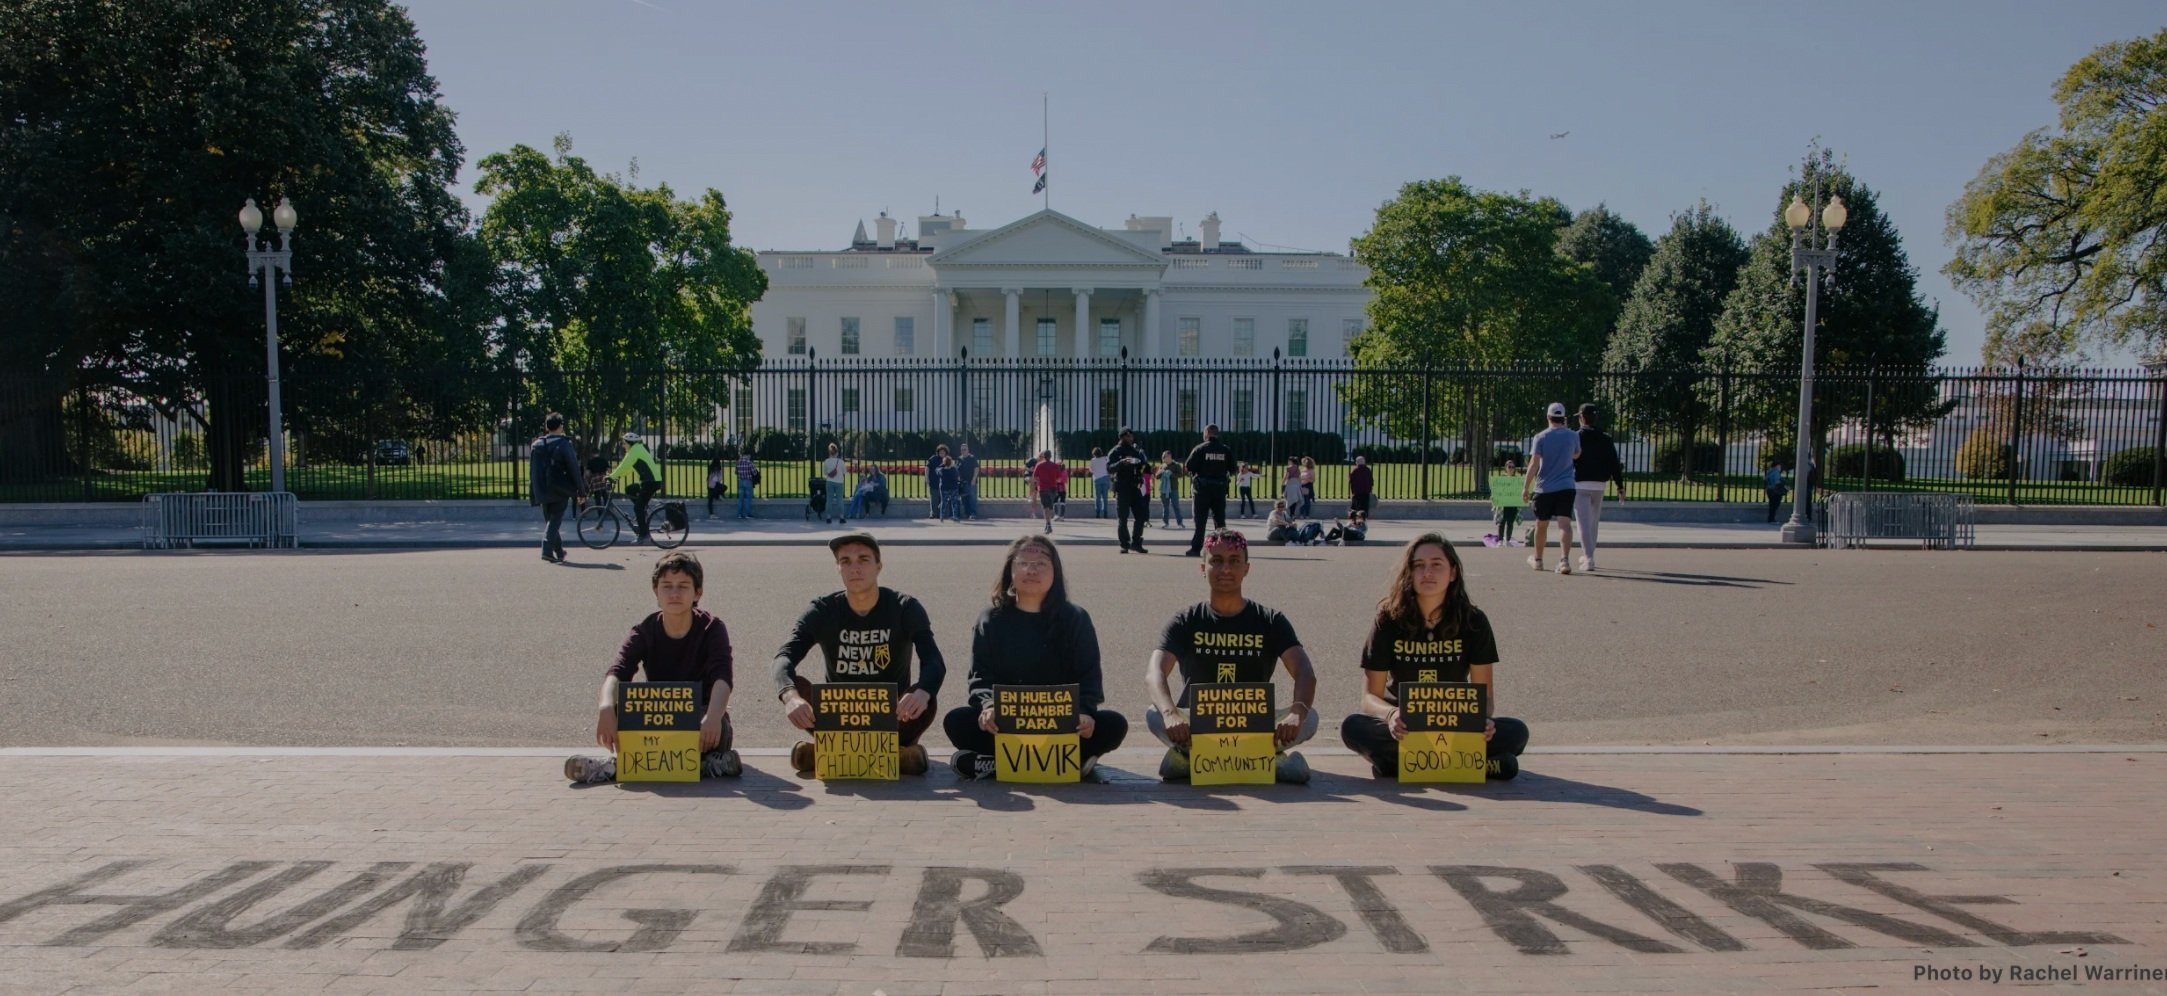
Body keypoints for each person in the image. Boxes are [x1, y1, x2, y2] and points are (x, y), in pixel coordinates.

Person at [1339, 534, 1527, 781]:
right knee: (1353, 727)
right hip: (1404, 727)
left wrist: (1484, 721)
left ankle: (1400, 764)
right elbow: (1369, 698)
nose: (1427, 572)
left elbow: (1486, 697)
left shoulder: (1474, 621)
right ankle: (1476, 764)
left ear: (1453, 573)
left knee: (1516, 732)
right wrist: (1390, 715)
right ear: (1409, 573)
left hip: (1455, 722)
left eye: (1437, 564)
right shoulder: (1388, 618)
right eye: (1419, 566)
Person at [943, 536, 1128, 780]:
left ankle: (997, 764)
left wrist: (1084, 711)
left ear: (1055, 573)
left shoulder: (1076, 618)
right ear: (1010, 571)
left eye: (1041, 564)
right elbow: (980, 676)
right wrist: (988, 706)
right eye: (1023, 563)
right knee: (956, 720)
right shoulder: (990, 619)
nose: (1031, 570)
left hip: (1062, 723)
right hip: (1007, 723)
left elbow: (1089, 675)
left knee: (1114, 724)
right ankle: (1063, 763)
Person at [1144, 530, 1319, 784]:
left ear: (1247, 568)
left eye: (1234, 561)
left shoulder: (1270, 620)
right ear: (1203, 567)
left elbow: (1304, 670)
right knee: (1153, 714)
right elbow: (1154, 672)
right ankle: (1269, 763)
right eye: (1216, 560)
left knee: (1310, 718)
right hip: (1197, 728)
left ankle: (1191, 763)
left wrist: (1296, 712)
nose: (1225, 568)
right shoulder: (1185, 621)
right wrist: (1170, 713)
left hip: (1255, 728)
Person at [773, 534, 946, 777]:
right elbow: (784, 657)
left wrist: (922, 692)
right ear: (838, 568)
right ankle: (898, 757)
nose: (854, 568)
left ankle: (825, 753)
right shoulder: (822, 610)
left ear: (878, 566)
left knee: (926, 696)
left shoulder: (904, 607)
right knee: (797, 687)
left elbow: (934, 661)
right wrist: (790, 697)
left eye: (863, 560)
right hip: (839, 716)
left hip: (892, 717)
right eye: (845, 561)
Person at [565, 551, 742, 783]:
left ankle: (616, 769)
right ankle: (708, 767)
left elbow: (723, 677)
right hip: (658, 717)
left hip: (701, 719)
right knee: (621, 712)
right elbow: (618, 671)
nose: (675, 593)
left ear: (698, 592)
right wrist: (606, 709)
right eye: (667, 586)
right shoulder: (644, 630)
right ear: (656, 592)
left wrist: (712, 716)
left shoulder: (712, 628)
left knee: (716, 726)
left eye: (683, 586)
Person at [1520, 403, 1580, 574]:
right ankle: (1564, 560)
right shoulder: (1572, 435)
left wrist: (1526, 486)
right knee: (1564, 524)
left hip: (1544, 487)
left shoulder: (1541, 437)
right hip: (1567, 486)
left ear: (1548, 417)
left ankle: (1538, 559)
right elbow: (1577, 454)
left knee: (1541, 524)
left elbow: (1534, 463)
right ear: (1563, 418)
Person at [1571, 403, 1627, 572]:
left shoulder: (1575, 436)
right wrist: (1620, 486)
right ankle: (1589, 554)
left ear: (1581, 417)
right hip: (1599, 484)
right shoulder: (1606, 438)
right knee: (1593, 522)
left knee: (1583, 523)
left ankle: (1588, 558)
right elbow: (1614, 463)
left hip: (1580, 483)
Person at [527, 412, 581, 564]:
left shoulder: (536, 445)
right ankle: (546, 550)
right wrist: (581, 490)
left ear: (546, 427)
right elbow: (573, 468)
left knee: (550, 521)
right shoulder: (564, 444)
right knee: (554, 521)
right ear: (560, 426)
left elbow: (532, 471)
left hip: (541, 488)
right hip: (559, 488)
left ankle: (559, 551)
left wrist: (533, 492)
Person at [1184, 423, 1235, 557]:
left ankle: (1196, 548)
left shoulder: (1200, 449)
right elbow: (1233, 469)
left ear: (1206, 433)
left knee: (1200, 521)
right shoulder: (1225, 450)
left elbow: (1188, 466)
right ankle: (1223, 547)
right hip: (1219, 488)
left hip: (1202, 489)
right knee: (1220, 520)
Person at [611, 431, 663, 542]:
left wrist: (611, 477)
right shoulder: (636, 450)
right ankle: (643, 510)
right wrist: (616, 477)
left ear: (629, 443)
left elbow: (623, 465)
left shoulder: (634, 451)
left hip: (651, 482)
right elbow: (628, 468)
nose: (623, 445)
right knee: (630, 489)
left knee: (637, 508)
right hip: (649, 481)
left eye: (624, 443)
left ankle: (644, 535)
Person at [1109, 427, 1151, 554]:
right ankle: (1124, 544)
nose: (1130, 438)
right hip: (1122, 487)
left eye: (1131, 436)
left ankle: (1136, 542)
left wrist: (1142, 462)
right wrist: (1121, 463)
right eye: (1128, 436)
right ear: (1122, 437)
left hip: (1134, 486)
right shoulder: (1115, 451)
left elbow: (1143, 466)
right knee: (1123, 517)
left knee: (1141, 515)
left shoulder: (1135, 450)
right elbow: (1110, 468)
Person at [1489, 459, 1524, 547]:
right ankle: (1500, 540)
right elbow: (1496, 490)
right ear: (1506, 468)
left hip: (1513, 504)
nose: (1511, 468)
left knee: (1510, 523)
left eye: (1513, 467)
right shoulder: (1501, 479)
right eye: (1509, 467)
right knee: (1502, 522)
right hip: (1503, 505)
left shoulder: (1517, 479)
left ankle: (1508, 540)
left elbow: (1519, 491)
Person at [1030, 449, 1066, 535]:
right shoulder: (1055, 466)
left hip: (1043, 488)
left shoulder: (1039, 465)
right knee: (1050, 507)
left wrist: (1040, 480)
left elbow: (1035, 477)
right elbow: (1059, 478)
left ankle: (1048, 524)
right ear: (1050, 456)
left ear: (1044, 456)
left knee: (1045, 507)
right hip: (1053, 488)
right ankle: (1048, 524)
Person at [820, 442, 848, 526]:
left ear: (829, 452)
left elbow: (825, 473)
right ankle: (841, 517)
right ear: (837, 452)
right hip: (839, 482)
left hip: (829, 481)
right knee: (840, 500)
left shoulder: (826, 461)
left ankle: (828, 517)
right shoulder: (841, 461)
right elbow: (845, 472)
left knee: (829, 499)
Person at [1156, 451, 1185, 527]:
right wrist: (1161, 472)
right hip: (1164, 489)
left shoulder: (1176, 465)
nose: (1163, 458)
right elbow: (1157, 476)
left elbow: (1180, 475)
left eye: (1164, 457)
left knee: (1176, 506)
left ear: (1169, 457)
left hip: (1173, 489)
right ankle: (1165, 522)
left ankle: (1180, 522)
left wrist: (1171, 474)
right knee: (1165, 506)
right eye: (1163, 457)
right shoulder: (1162, 466)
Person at [925, 444, 949, 520]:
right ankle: (933, 513)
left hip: (944, 483)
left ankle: (941, 513)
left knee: (942, 500)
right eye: (940, 452)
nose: (942, 453)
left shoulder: (947, 460)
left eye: (943, 452)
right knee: (934, 499)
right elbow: (927, 468)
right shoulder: (933, 459)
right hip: (934, 482)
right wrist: (927, 478)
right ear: (938, 452)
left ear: (946, 453)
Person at [957, 444, 980, 520]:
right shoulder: (959, 458)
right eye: (962, 450)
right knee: (964, 499)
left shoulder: (972, 458)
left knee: (972, 498)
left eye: (965, 449)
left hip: (971, 482)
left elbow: (976, 468)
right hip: (962, 483)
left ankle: (973, 514)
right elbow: (957, 469)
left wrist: (974, 479)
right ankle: (967, 514)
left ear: (968, 450)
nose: (963, 451)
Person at [938, 455, 963, 521]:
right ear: (951, 462)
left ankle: (941, 516)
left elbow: (937, 471)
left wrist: (942, 465)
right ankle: (955, 516)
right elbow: (958, 478)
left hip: (944, 488)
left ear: (944, 462)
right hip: (953, 488)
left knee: (943, 502)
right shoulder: (954, 470)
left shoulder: (941, 470)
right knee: (954, 502)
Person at [1089, 447, 1111, 518]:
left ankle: (1098, 512)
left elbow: (1091, 470)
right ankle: (1105, 512)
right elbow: (1109, 467)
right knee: (1105, 497)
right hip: (1105, 478)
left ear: (1094, 454)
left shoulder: (1093, 460)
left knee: (1097, 497)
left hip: (1097, 479)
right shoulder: (1105, 458)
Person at [735, 450, 758, 519]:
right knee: (748, 498)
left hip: (741, 480)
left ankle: (739, 514)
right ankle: (748, 514)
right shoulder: (749, 462)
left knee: (740, 499)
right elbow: (754, 472)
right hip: (748, 481)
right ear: (747, 455)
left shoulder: (738, 462)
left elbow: (736, 472)